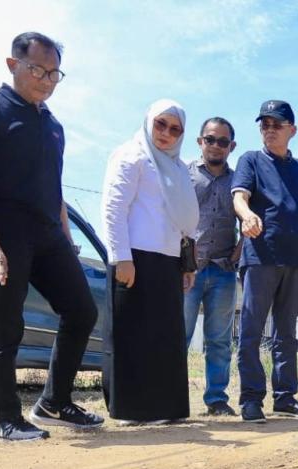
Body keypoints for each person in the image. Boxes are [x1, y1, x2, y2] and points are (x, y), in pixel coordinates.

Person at [0, 32, 102, 441]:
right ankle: (7, 419)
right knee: (5, 324)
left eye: (55, 73)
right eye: (38, 69)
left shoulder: (53, 125)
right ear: (13, 65)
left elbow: (54, 188)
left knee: (82, 311)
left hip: (46, 236)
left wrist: (65, 235)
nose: (46, 80)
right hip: (2, 232)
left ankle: (54, 402)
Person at [100, 100, 200, 425]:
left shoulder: (178, 168)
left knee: (164, 338)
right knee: (132, 336)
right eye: (161, 124)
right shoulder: (132, 155)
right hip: (134, 259)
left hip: (168, 262)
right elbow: (113, 209)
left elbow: (182, 223)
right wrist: (121, 258)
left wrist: (187, 264)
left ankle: (164, 409)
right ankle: (131, 411)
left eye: (175, 129)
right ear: (148, 122)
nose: (166, 134)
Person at [231, 100, 298, 423]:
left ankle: (285, 397)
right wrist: (246, 215)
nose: (269, 130)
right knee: (251, 331)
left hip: (296, 260)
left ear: (291, 130)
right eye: (264, 124)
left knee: (287, 333)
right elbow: (239, 197)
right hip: (260, 257)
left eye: (276, 124)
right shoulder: (251, 160)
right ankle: (251, 399)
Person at [184, 116, 241, 416]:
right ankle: (172, 398)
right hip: (187, 272)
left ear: (231, 146)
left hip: (223, 271)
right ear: (199, 141)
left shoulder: (239, 180)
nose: (216, 146)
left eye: (222, 141)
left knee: (219, 341)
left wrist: (239, 252)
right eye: (210, 139)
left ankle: (217, 399)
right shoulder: (184, 173)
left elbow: (250, 217)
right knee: (178, 336)